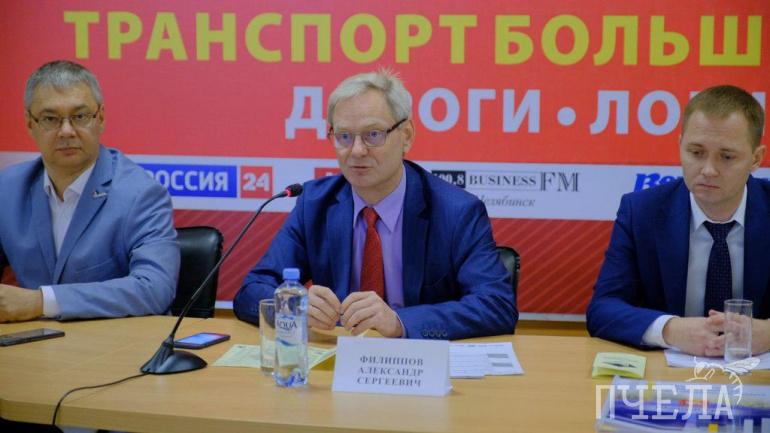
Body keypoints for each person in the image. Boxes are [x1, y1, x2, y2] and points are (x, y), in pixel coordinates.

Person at [234, 69, 516, 339]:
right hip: (339, 359)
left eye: (373, 135)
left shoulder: (456, 212)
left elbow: (496, 306)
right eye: (344, 136)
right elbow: (251, 291)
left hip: (419, 363)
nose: (357, 151)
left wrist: (400, 322)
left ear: (406, 136)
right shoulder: (315, 205)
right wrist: (294, 305)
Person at [587, 85, 770, 356]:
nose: (708, 170)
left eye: (727, 157)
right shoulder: (641, 212)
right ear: (680, 146)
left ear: (756, 158)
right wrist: (671, 330)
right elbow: (603, 309)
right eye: (696, 152)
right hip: (669, 373)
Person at [0, 60, 179, 322]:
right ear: (30, 123)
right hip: (30, 342)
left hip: (112, 342)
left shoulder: (140, 194)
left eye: (80, 116)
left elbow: (154, 289)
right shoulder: (7, 189)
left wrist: (41, 302)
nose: (66, 131)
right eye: (50, 119)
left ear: (100, 118)